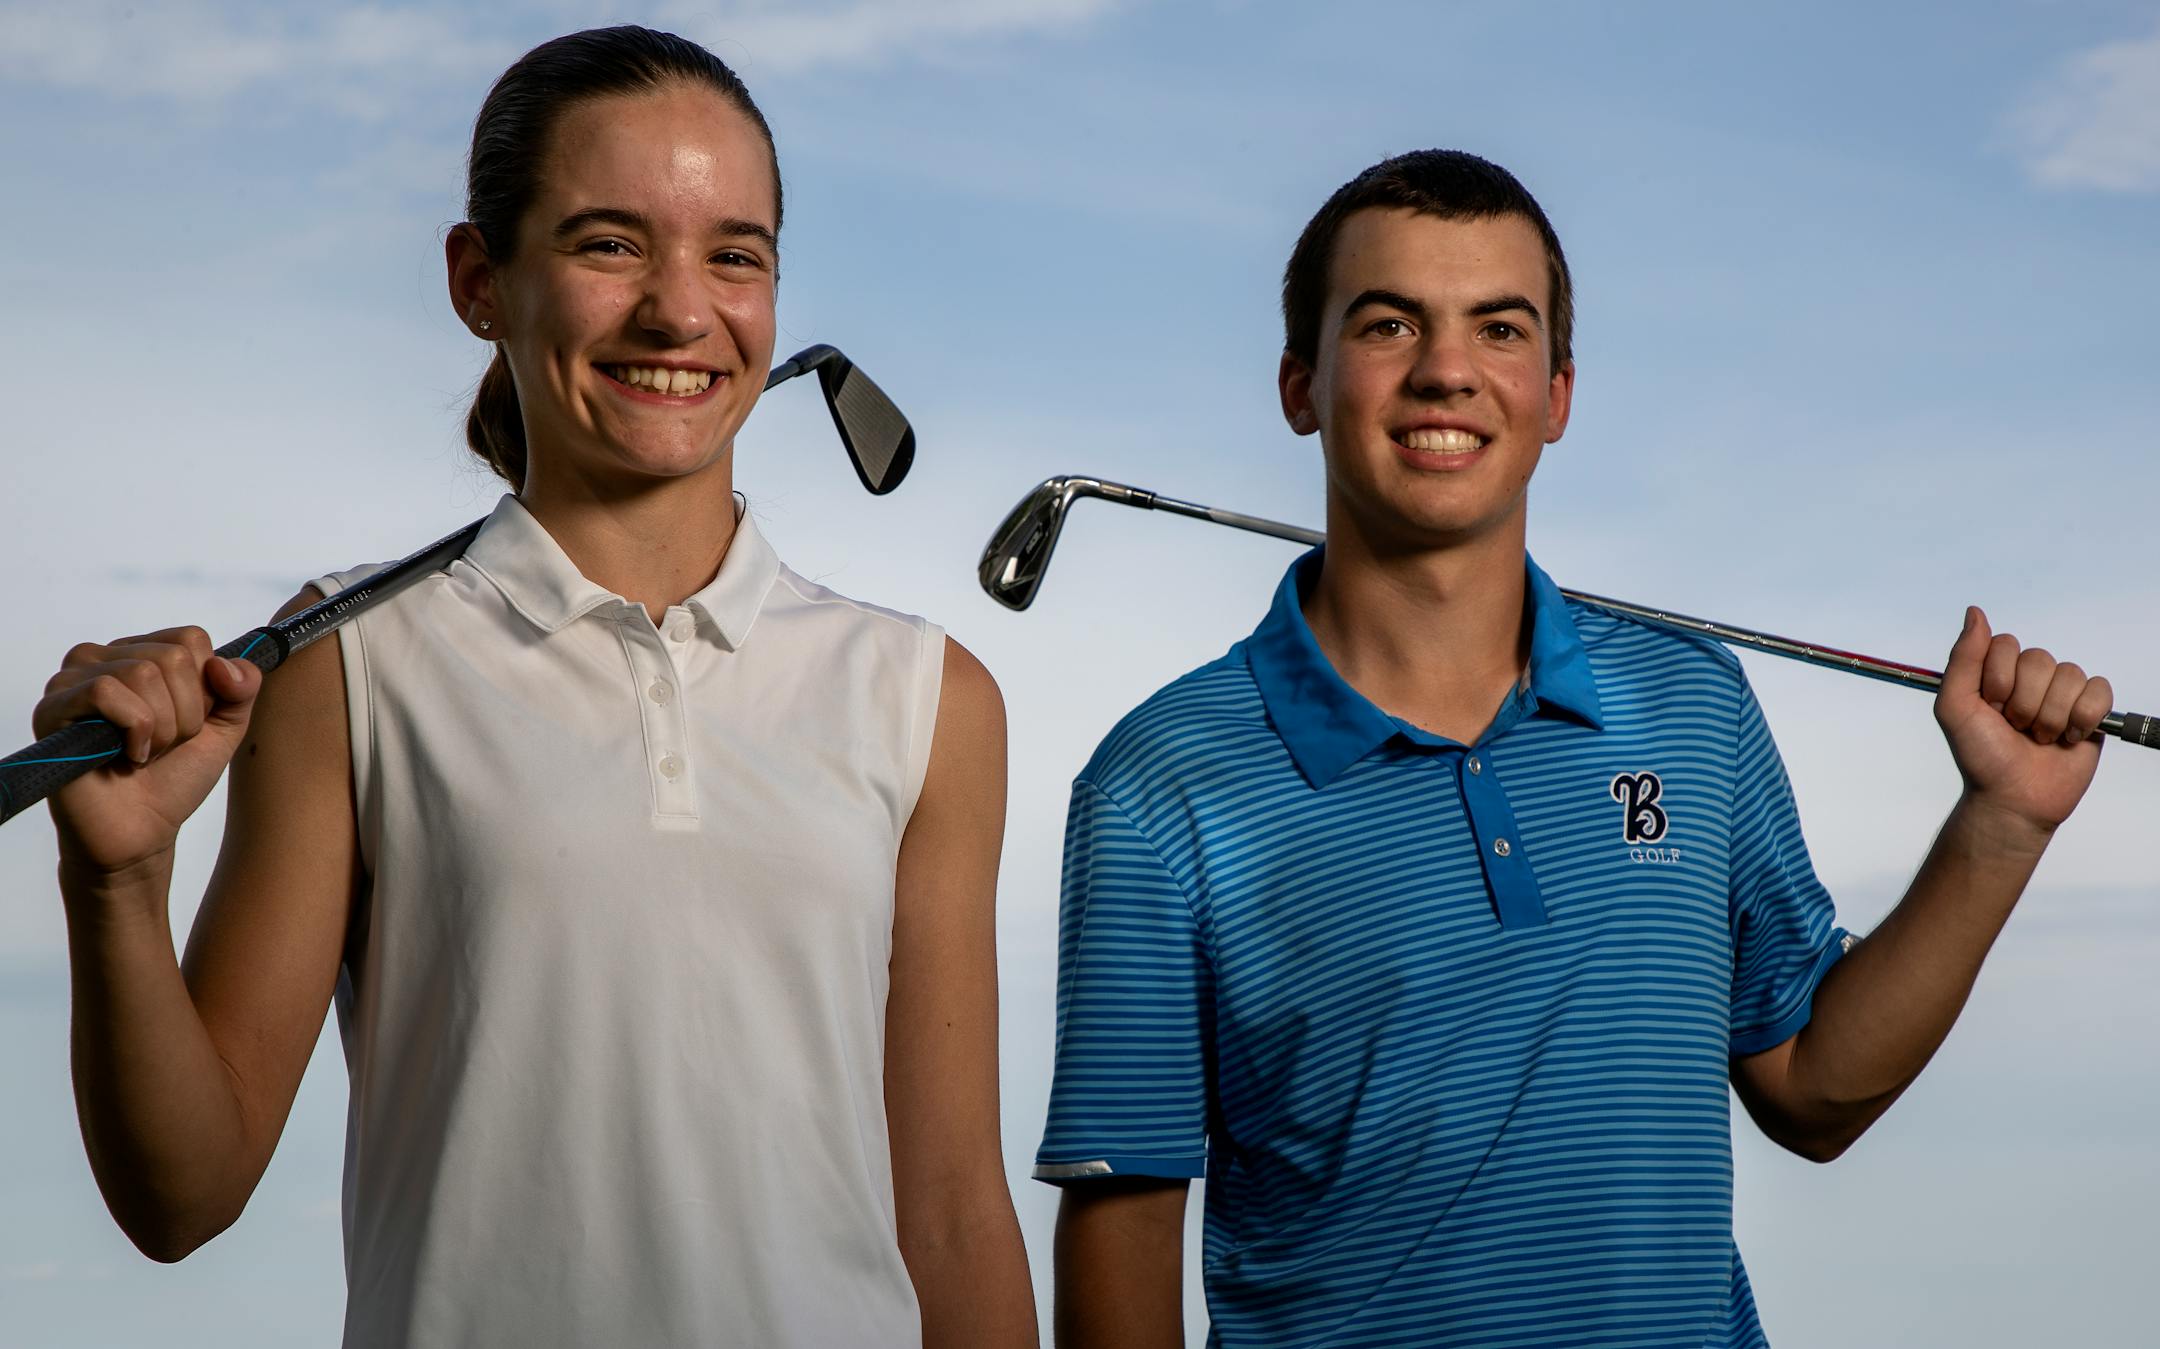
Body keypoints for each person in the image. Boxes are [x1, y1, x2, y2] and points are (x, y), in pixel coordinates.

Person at [34, 26, 1035, 1349]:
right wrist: (115, 886)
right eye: (608, 243)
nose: (682, 310)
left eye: (735, 254)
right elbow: (182, 1196)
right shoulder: (346, 660)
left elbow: (956, 1213)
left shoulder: (927, 696)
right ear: (479, 281)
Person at [1037, 150, 2113, 1347]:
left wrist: (2004, 824)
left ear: (1556, 393)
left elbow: (1812, 1086)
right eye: (1391, 323)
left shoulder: (1695, 707)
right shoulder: (1160, 782)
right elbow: (1122, 1236)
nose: (1447, 371)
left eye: (1500, 329)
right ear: (1301, 382)